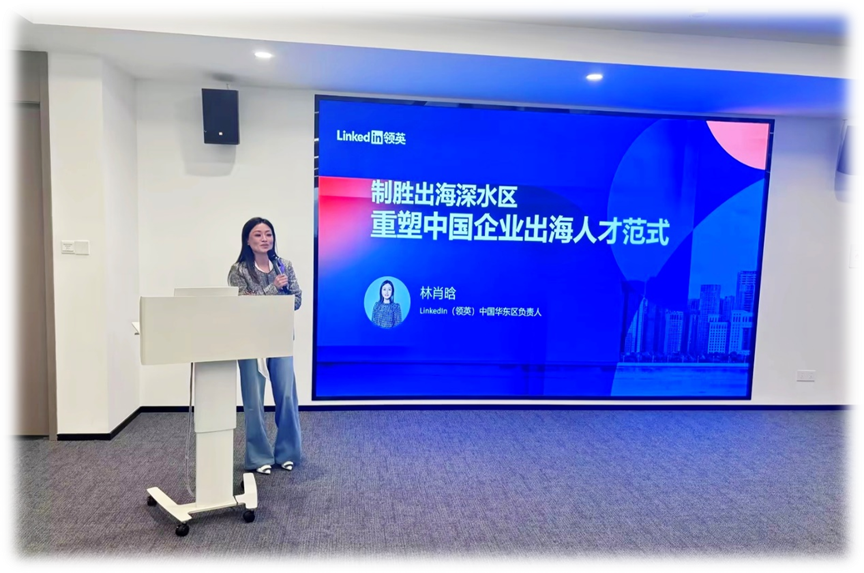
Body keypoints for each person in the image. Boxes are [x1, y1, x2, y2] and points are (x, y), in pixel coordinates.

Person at [228, 217, 302, 475]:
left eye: (268, 234)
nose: (264, 239)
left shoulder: (284, 265)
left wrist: (275, 292)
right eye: (258, 235)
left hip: (280, 336)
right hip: (250, 340)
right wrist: (273, 288)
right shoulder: (238, 270)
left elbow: (297, 300)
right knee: (254, 400)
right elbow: (244, 305)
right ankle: (259, 457)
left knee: (287, 396)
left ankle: (288, 453)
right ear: (247, 240)